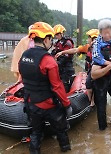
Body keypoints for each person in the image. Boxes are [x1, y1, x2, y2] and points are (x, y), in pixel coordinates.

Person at [19, 22, 72, 153]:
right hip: (48, 104)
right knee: (61, 129)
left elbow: (23, 77)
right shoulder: (48, 60)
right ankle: (65, 149)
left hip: (31, 103)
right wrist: (67, 104)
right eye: (50, 39)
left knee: (36, 133)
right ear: (46, 39)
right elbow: (57, 86)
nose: (51, 43)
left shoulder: (24, 56)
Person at [55, 29, 99, 109]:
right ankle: (90, 102)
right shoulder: (88, 47)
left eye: (89, 38)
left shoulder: (101, 50)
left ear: (94, 38)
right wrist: (62, 52)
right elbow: (76, 50)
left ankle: (94, 103)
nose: (87, 39)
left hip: (98, 73)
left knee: (96, 87)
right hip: (90, 72)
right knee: (89, 85)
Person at [52, 24, 75, 92]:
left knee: (65, 84)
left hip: (67, 66)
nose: (57, 36)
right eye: (56, 34)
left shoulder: (67, 42)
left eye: (58, 34)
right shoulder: (57, 43)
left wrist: (57, 62)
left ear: (62, 33)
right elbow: (54, 52)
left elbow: (67, 56)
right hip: (60, 67)